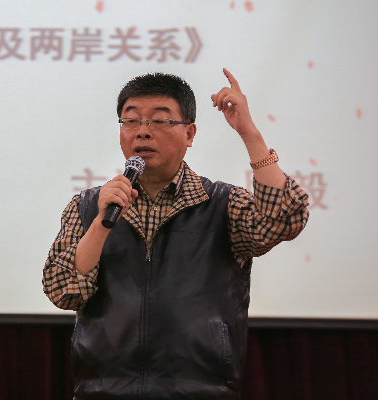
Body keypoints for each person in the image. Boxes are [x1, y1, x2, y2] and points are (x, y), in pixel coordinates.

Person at [43, 69, 309, 399]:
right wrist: (101, 222)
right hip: (103, 391)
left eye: (159, 121)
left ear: (189, 133)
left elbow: (284, 219)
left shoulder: (222, 203)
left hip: (202, 391)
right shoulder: (88, 207)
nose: (142, 132)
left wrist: (249, 133)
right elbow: (64, 291)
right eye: (131, 121)